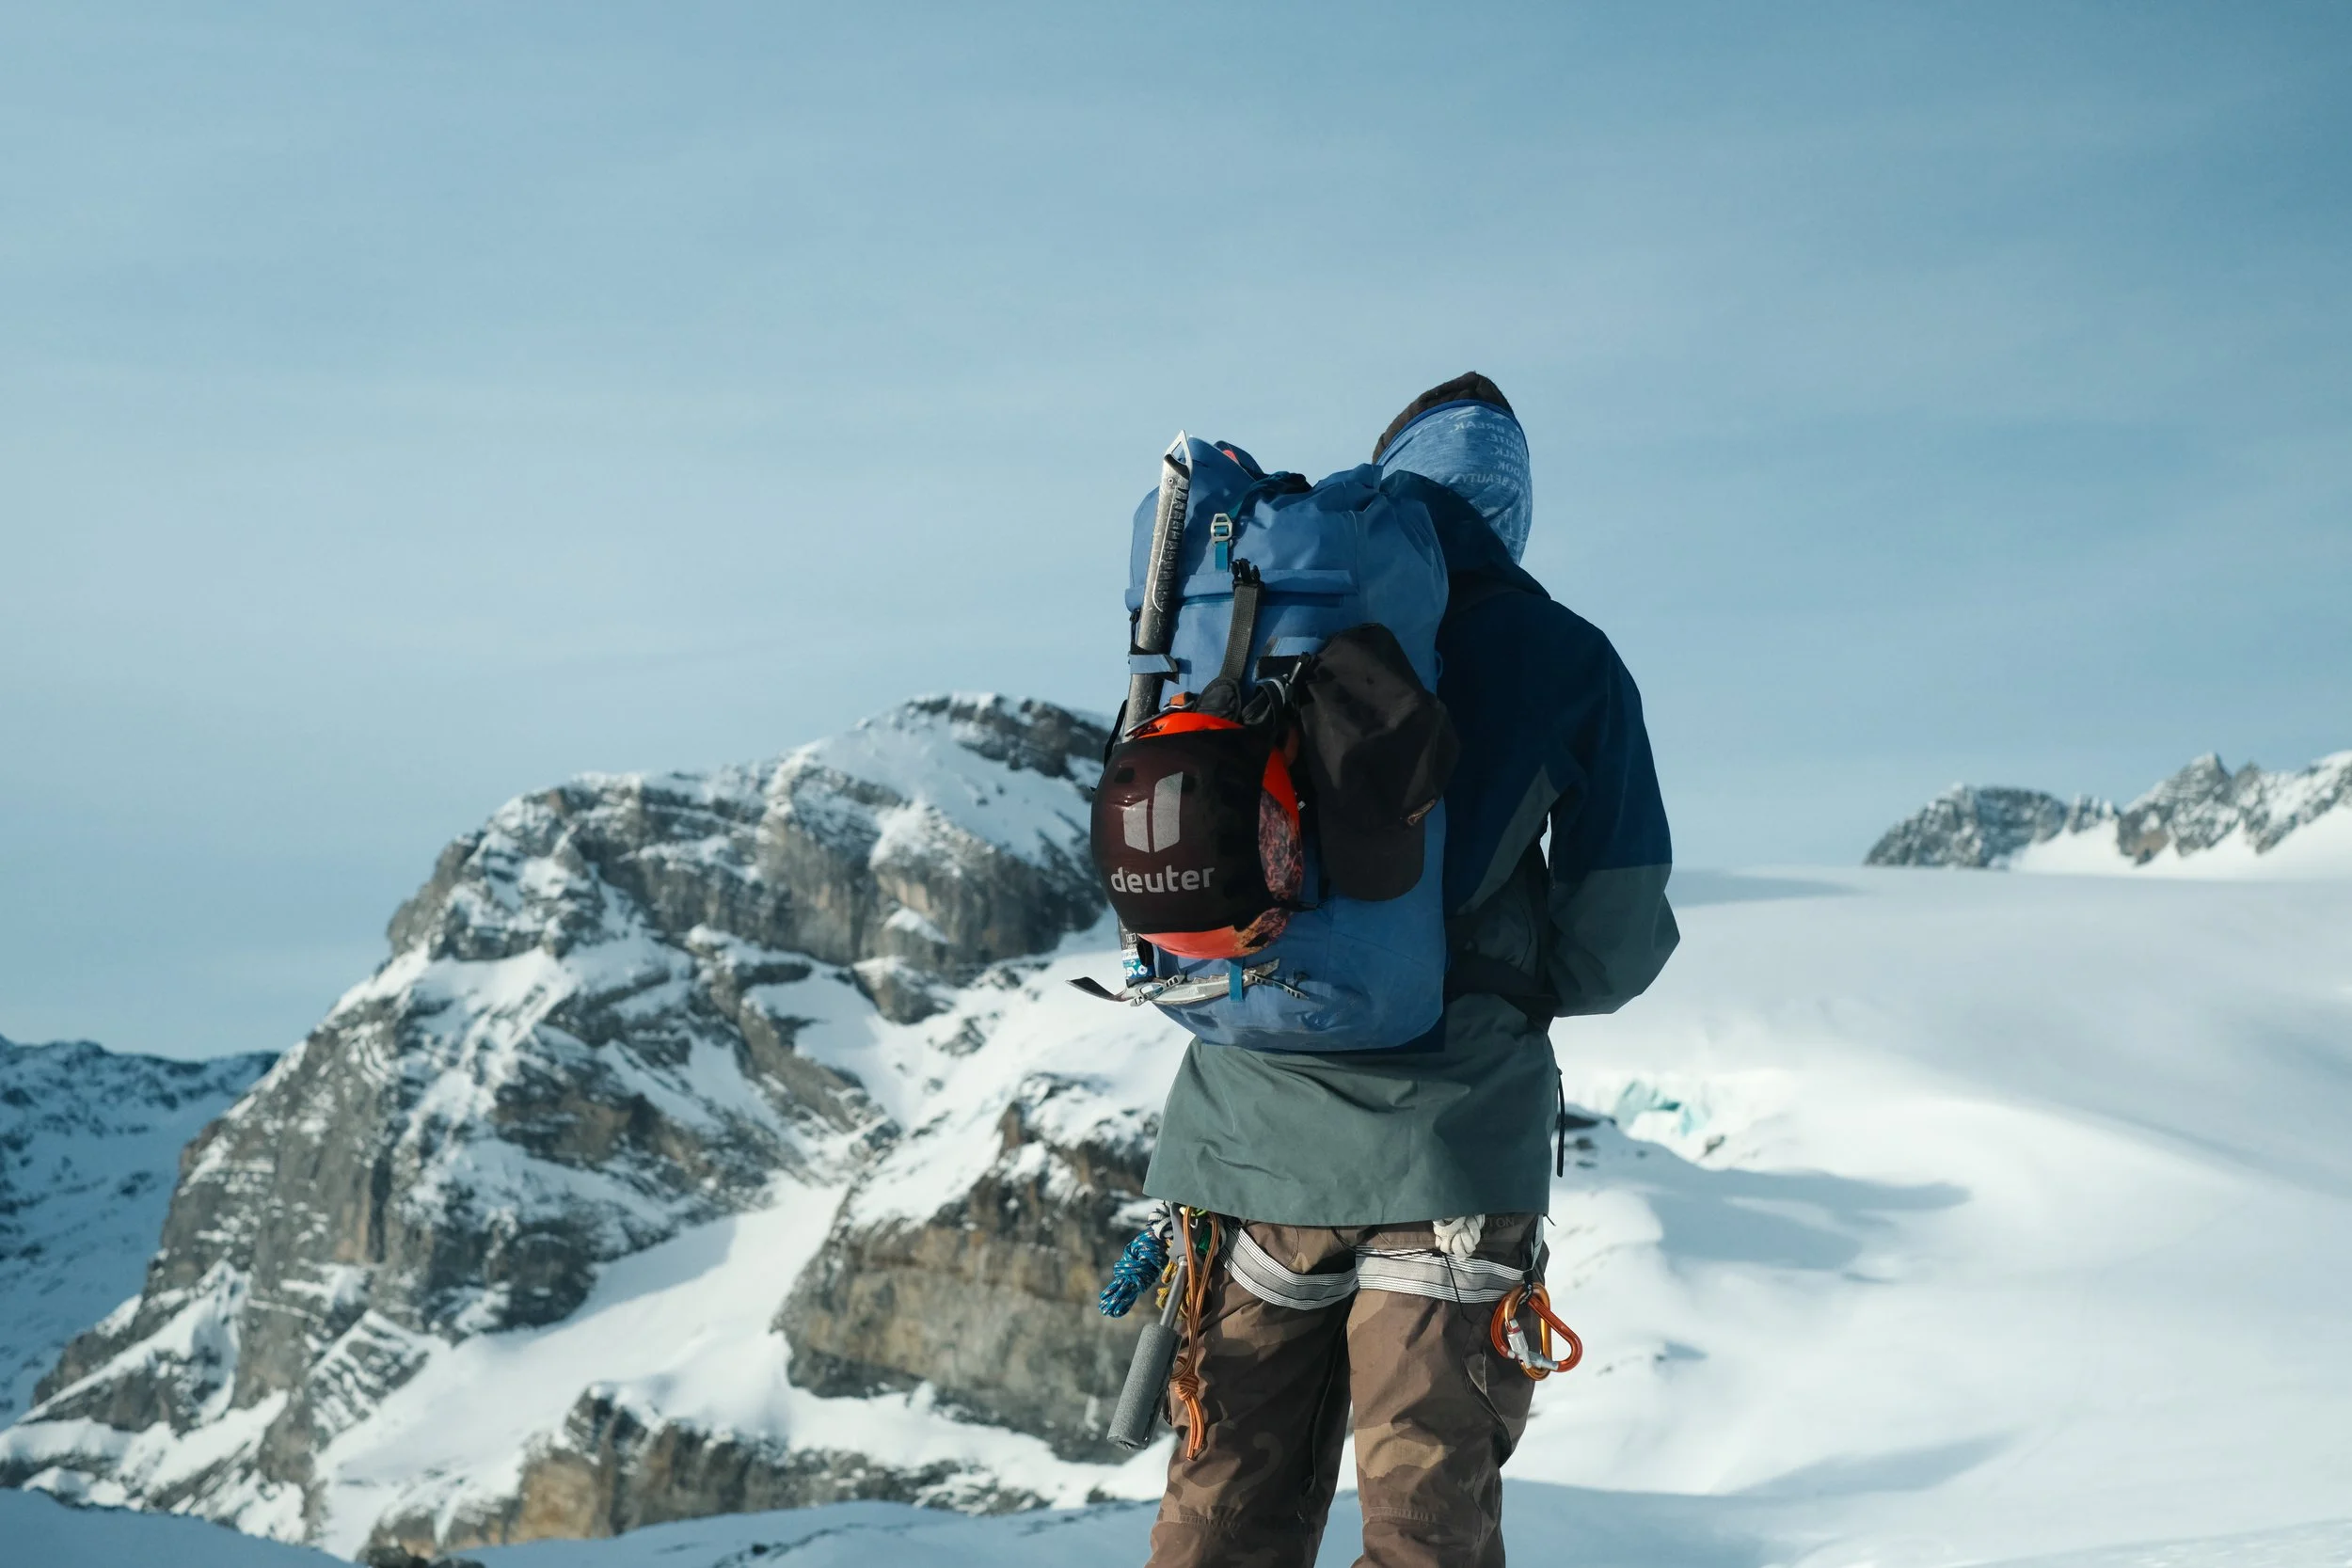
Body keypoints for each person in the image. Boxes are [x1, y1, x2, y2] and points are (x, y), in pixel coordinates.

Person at [1139, 372, 1680, 1568]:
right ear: (1511, 511)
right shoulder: (1566, 658)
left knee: (1221, 1510)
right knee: (1423, 1529)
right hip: (1450, 1152)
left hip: (1246, 1150)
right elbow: (1611, 949)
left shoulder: (1258, 612)